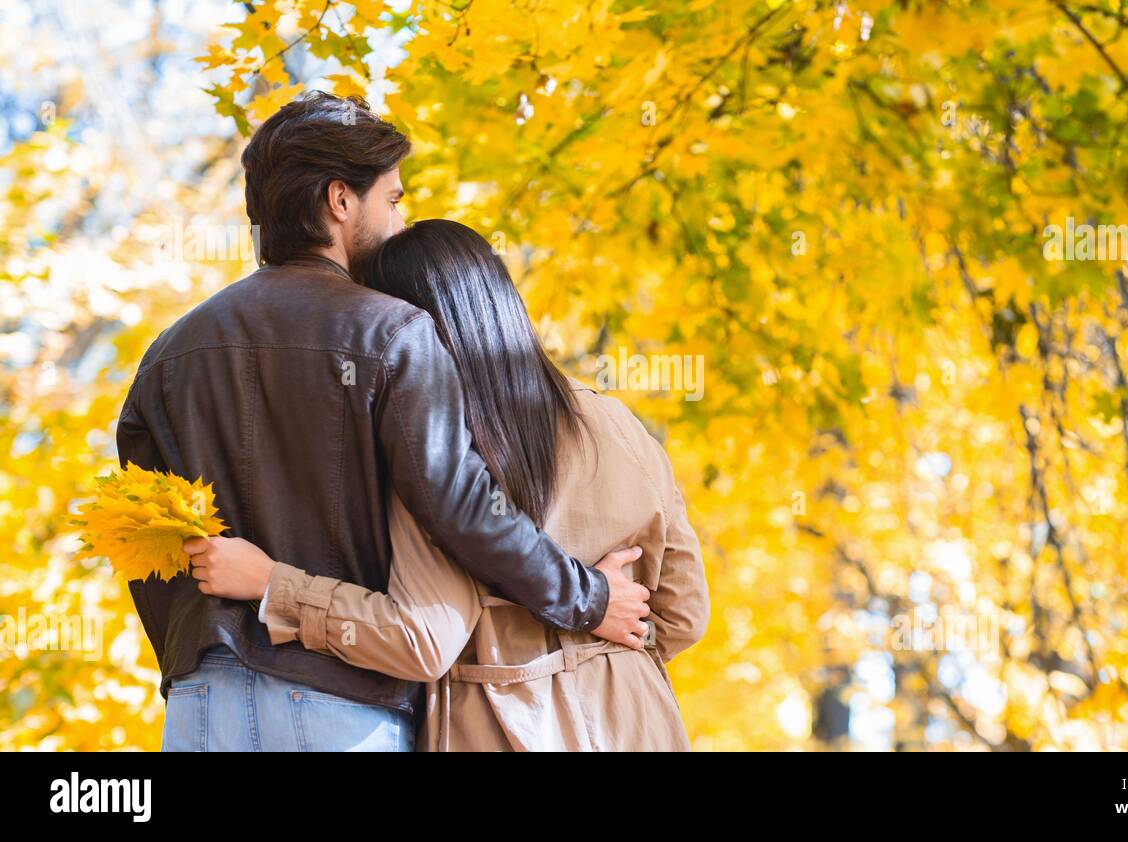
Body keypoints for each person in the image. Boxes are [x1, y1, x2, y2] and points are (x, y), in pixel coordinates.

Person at [116, 93, 651, 751]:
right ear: (341, 201)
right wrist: (589, 599)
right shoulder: (395, 334)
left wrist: (191, 655)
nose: (399, 221)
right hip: (341, 703)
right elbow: (464, 511)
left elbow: (146, 544)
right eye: (392, 200)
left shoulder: (170, 354)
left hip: (200, 703)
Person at [187, 219, 710, 750]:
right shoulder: (620, 424)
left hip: (504, 725)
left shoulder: (440, 452)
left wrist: (274, 584)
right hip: (641, 724)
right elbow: (684, 617)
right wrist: (598, 652)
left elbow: (419, 638)